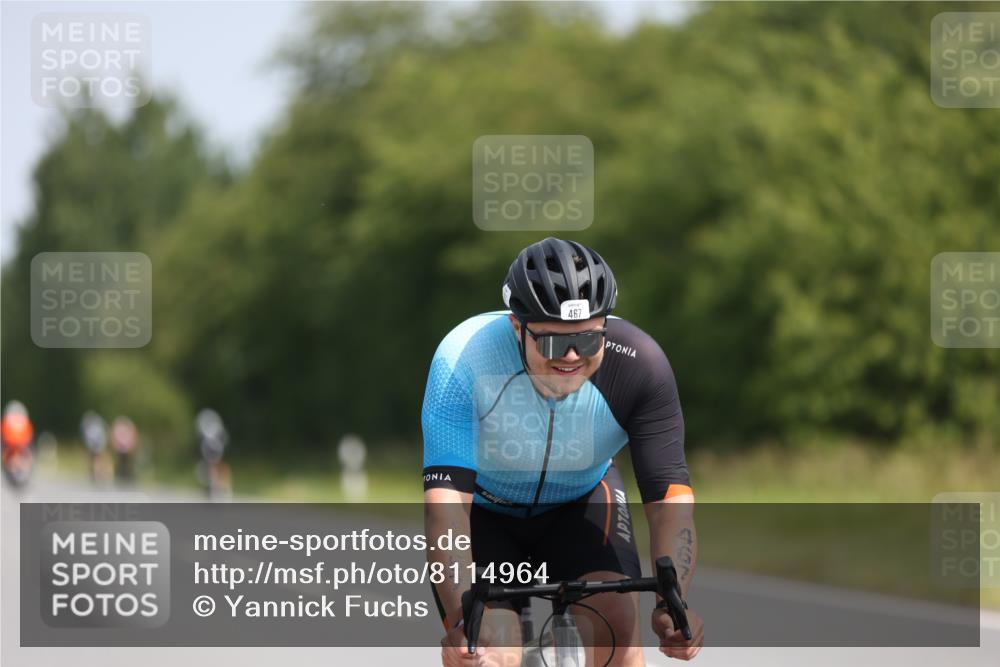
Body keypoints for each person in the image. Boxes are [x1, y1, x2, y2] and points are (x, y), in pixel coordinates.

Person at [423, 238, 704, 666]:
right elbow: (446, 510)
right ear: (518, 326)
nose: (572, 356)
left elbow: (670, 504)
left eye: (589, 341)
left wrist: (673, 604)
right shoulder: (464, 359)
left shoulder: (641, 365)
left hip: (581, 503)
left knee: (616, 626)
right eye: (554, 343)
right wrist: (465, 623)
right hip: (485, 514)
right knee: (490, 649)